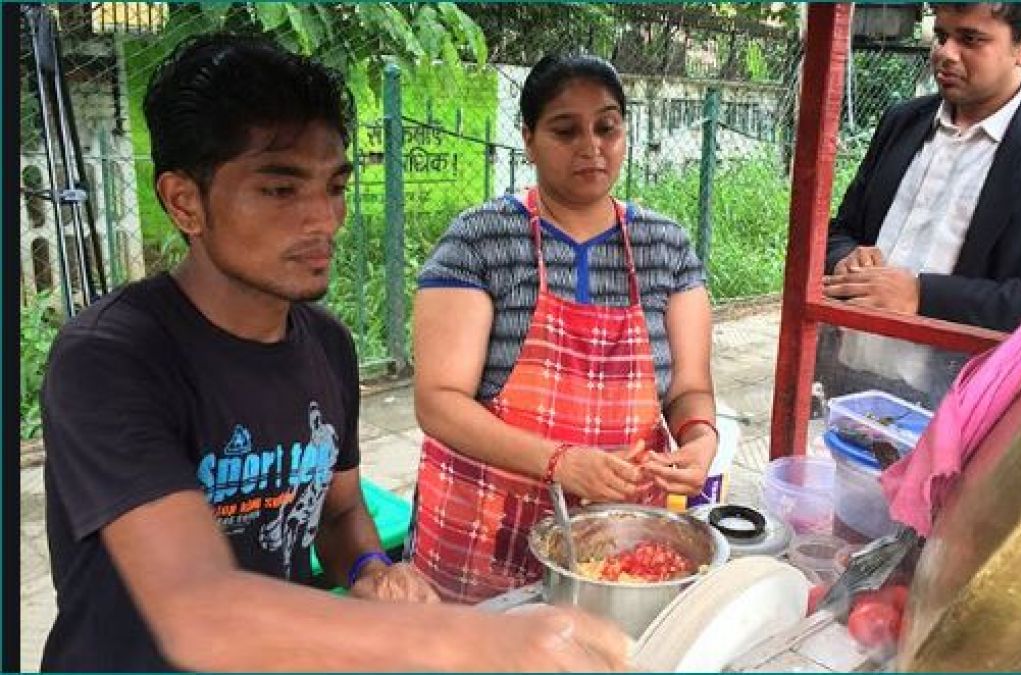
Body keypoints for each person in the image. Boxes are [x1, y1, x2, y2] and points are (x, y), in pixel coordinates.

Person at [39, 34, 627, 672]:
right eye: (280, 190)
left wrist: (374, 569)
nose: (324, 219)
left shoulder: (325, 344)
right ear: (185, 202)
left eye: (335, 186)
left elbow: (341, 509)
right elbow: (195, 610)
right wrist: (463, 639)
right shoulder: (110, 358)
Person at [408, 53, 719, 603]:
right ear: (527, 138)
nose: (591, 145)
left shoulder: (665, 246)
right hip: (484, 535)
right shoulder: (481, 239)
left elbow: (689, 390)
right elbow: (439, 402)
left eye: (607, 126)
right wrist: (560, 463)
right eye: (565, 129)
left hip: (618, 545)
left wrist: (701, 441)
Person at [817, 2, 1021, 407]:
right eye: (941, 36)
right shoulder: (903, 122)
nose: (945, 53)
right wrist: (846, 258)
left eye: (970, 39)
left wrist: (923, 297)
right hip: (851, 380)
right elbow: (841, 229)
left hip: (970, 406)